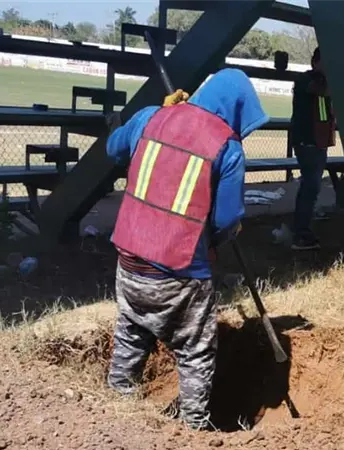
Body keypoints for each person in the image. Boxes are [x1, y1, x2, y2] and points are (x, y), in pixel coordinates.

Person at [104, 69, 269, 429]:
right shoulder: (228, 147)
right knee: (195, 350)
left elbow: (113, 147)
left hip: (130, 260)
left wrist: (152, 115)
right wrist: (213, 244)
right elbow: (227, 219)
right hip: (181, 270)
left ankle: (115, 403)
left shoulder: (151, 117)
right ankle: (192, 428)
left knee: (132, 329)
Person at [288, 47, 335, 251]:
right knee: (311, 186)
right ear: (315, 61)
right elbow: (321, 91)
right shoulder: (305, 79)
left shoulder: (323, 82)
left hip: (318, 141)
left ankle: (303, 226)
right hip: (307, 141)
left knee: (311, 186)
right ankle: (301, 233)